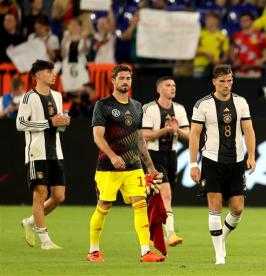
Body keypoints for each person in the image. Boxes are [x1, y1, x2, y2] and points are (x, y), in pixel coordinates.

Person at [87, 64, 164, 263]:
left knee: (140, 204)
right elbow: (97, 137)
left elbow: (140, 139)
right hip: (108, 167)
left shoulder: (137, 106)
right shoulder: (103, 106)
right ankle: (93, 250)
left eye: (128, 78)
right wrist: (112, 156)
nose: (125, 82)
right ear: (113, 81)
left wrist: (151, 167)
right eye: (121, 78)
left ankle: (145, 252)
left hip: (133, 166)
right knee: (104, 205)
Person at [189, 65, 256, 265]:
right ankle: (219, 255)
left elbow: (248, 130)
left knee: (237, 209)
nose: (227, 85)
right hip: (211, 161)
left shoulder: (241, 102)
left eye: (229, 80)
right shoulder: (203, 104)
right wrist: (193, 164)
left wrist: (251, 155)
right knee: (215, 206)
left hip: (235, 162)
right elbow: (194, 135)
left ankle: (220, 239)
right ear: (214, 82)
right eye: (222, 81)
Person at [17, 59, 71, 250]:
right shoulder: (28, 97)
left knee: (59, 196)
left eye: (53, 71)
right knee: (41, 194)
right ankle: (45, 240)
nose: (53, 74)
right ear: (37, 75)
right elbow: (20, 124)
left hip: (55, 151)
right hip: (36, 153)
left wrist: (63, 122)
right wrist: (48, 123)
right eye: (49, 71)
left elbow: (58, 126)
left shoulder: (57, 96)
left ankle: (30, 221)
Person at [142, 76, 190, 246]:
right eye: (168, 85)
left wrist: (177, 130)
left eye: (174, 85)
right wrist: (165, 130)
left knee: (161, 199)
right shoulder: (149, 109)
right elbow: (144, 135)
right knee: (165, 194)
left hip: (172, 156)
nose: (172, 88)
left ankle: (150, 234)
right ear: (159, 89)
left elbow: (189, 135)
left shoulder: (180, 109)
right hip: (154, 156)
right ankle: (170, 234)